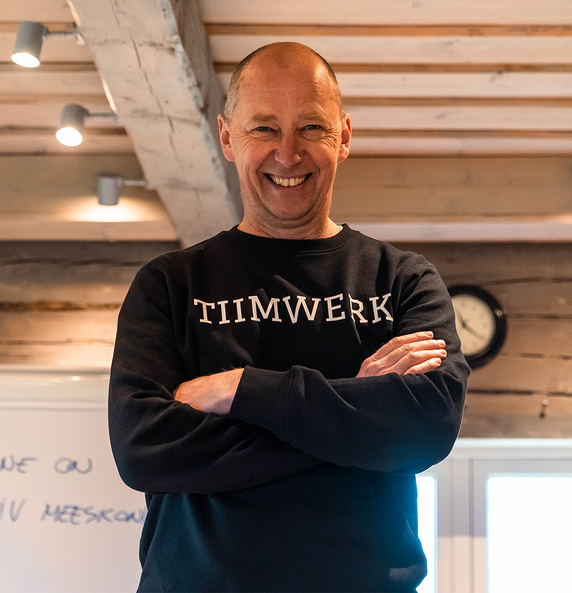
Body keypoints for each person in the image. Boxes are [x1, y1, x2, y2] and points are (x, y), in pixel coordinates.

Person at [109, 42, 469, 593]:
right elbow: (145, 450)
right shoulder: (170, 285)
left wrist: (241, 389)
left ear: (343, 137)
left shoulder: (401, 280)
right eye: (263, 128)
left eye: (310, 128)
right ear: (227, 138)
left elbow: (425, 429)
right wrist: (352, 409)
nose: (287, 152)